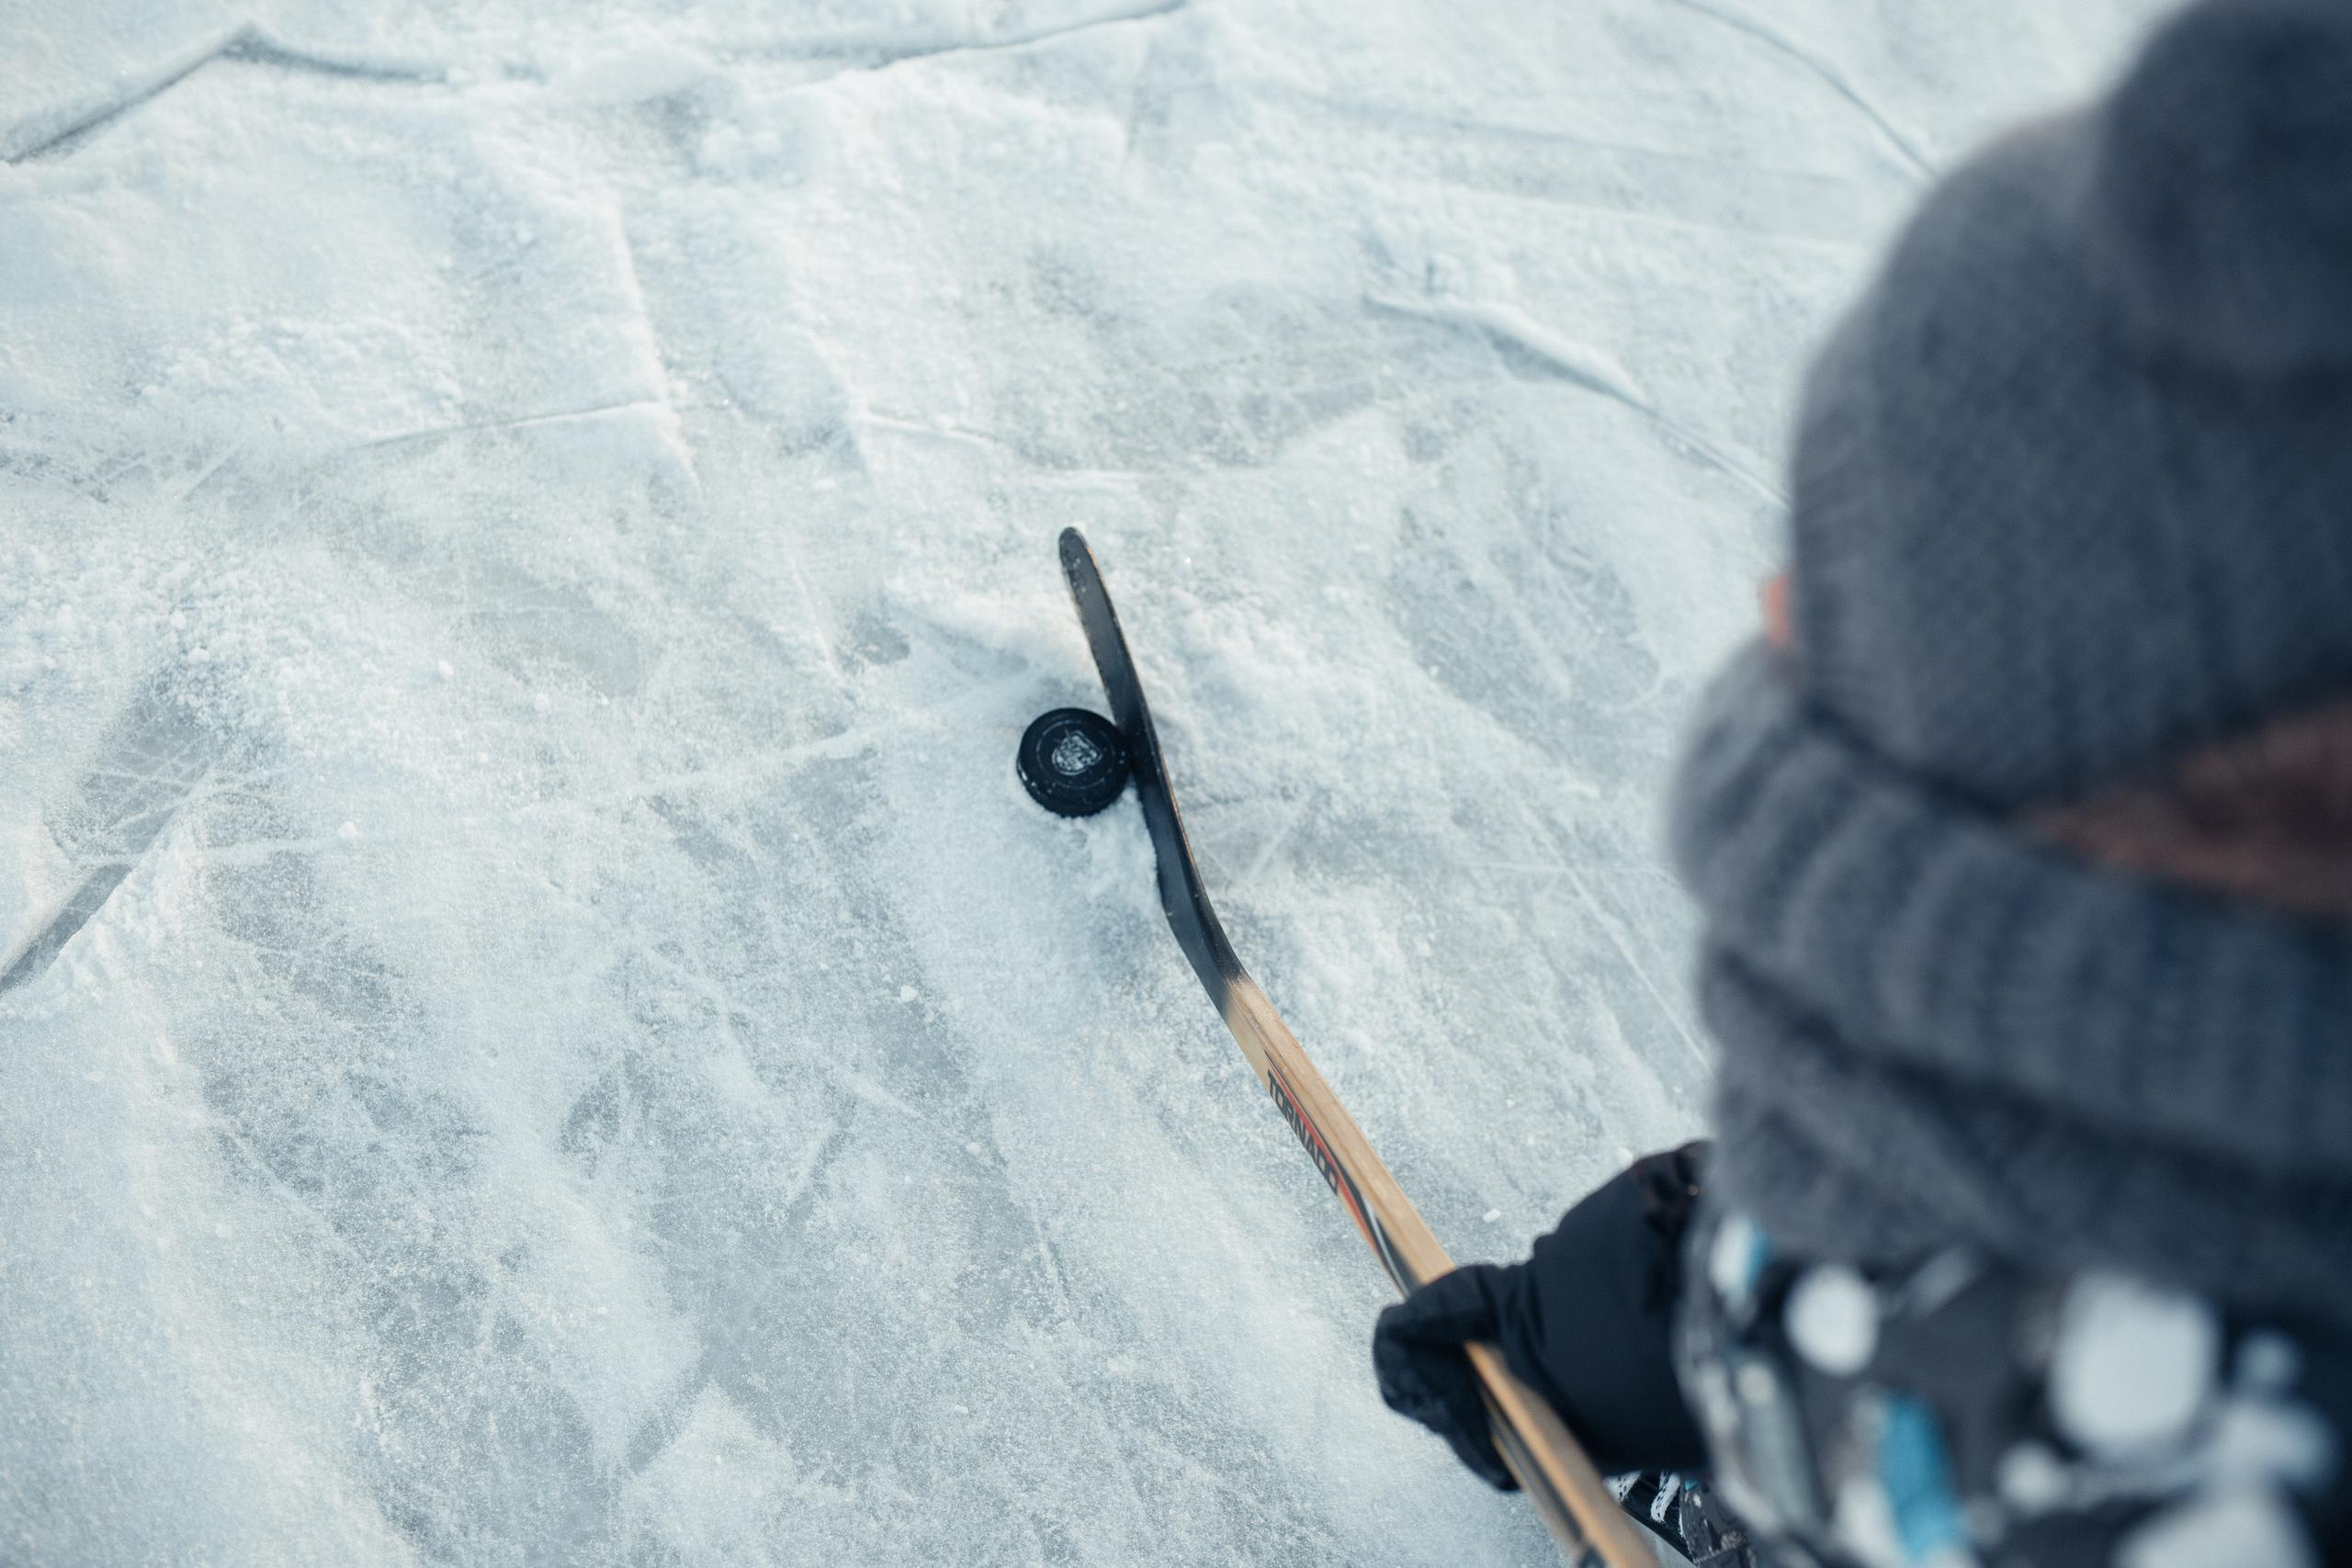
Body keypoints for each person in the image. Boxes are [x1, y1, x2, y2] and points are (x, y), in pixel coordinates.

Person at [1372, 0, 2352, 1562]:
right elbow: (1850, 1217)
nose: (1766, 620)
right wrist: (1579, 1349)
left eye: (1835, 602)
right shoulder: (2001, 1086)